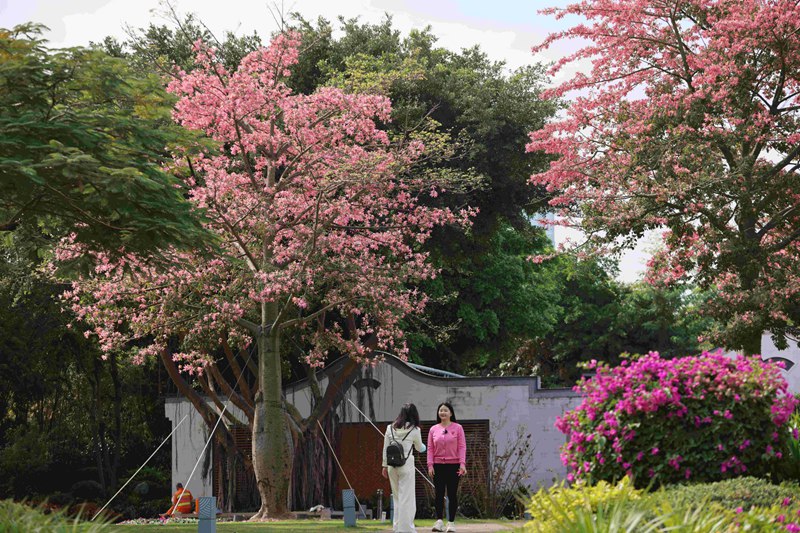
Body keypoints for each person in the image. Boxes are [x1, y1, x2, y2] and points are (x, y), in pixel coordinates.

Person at [382, 403, 426, 533]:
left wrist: (384, 466)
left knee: (396, 497)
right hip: (406, 466)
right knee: (406, 498)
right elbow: (419, 448)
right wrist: (425, 447)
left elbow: (385, 449)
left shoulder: (390, 428)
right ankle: (406, 529)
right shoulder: (415, 430)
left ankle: (397, 527)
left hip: (391, 466)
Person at [427, 402, 466, 533]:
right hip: (438, 466)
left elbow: (462, 446)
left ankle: (451, 522)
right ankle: (439, 521)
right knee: (438, 494)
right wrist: (430, 465)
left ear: (451, 413)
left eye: (445, 410)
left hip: (453, 465)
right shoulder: (433, 429)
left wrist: (462, 464)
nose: (442, 413)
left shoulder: (458, 428)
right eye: (440, 410)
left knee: (452, 494)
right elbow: (430, 449)